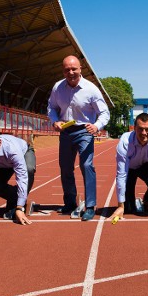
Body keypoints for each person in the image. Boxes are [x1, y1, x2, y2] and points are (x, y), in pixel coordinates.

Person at [47, 55, 110, 221]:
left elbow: (104, 112)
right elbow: (51, 107)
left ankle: (90, 206)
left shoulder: (91, 89)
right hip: (66, 131)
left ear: (80, 69)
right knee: (65, 167)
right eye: (67, 69)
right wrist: (55, 121)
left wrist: (97, 126)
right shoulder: (57, 88)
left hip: (84, 131)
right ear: (63, 71)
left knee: (86, 165)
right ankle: (70, 202)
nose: (71, 72)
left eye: (74, 68)